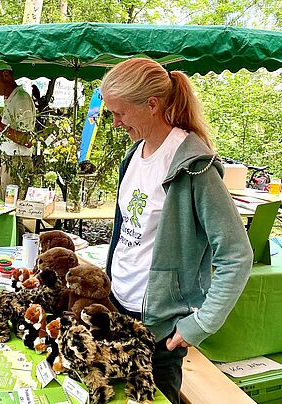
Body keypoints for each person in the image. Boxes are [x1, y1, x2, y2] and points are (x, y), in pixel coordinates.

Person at [101, 58, 252, 404]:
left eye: (120, 113)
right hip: (117, 310)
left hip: (159, 334)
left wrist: (198, 324)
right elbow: (130, 232)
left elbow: (236, 255)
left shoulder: (194, 167)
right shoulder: (134, 155)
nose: (115, 122)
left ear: (151, 105)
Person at [0, 61, 36, 200]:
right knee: (6, 208)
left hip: (16, 162)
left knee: (12, 210)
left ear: (6, 75)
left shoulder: (21, 98)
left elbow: (28, 140)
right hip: (9, 160)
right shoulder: (12, 98)